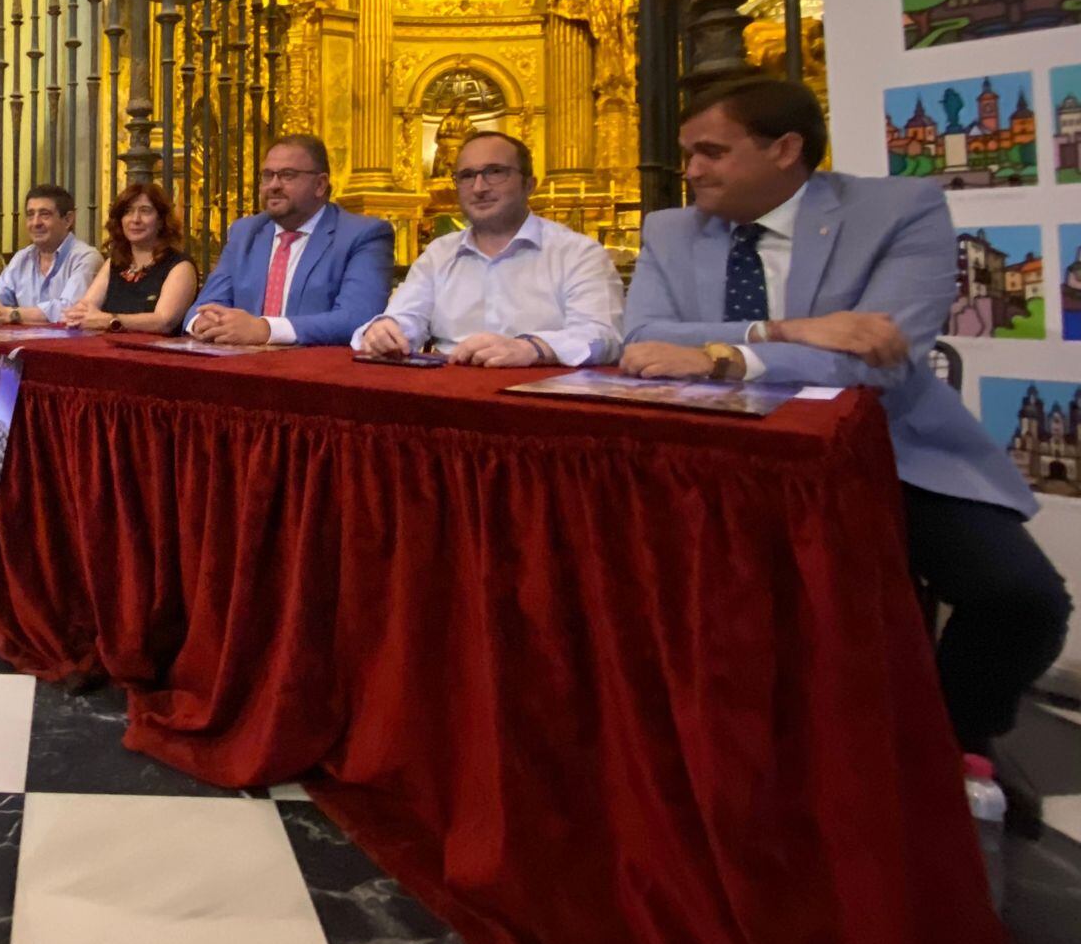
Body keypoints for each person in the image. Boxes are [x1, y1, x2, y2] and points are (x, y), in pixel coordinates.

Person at [622, 75, 1069, 773]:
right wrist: (789, 329)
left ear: (785, 149)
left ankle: (953, 745)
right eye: (688, 153)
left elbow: (880, 358)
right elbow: (644, 337)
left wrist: (722, 357)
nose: (692, 170)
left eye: (711, 151)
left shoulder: (899, 210)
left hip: (887, 447)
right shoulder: (671, 228)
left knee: (1022, 599)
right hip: (714, 456)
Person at [354, 131, 622, 366]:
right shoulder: (439, 254)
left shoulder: (577, 253)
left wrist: (532, 348)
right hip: (450, 390)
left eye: (495, 172)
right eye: (467, 176)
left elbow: (603, 336)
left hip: (541, 391)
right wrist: (385, 330)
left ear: (529, 185)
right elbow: (405, 318)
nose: (479, 187)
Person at [186, 134, 395, 346]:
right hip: (239, 367)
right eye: (267, 175)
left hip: (315, 372)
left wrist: (265, 329)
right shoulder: (245, 232)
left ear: (320, 184)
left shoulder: (363, 235)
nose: (273, 185)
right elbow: (203, 306)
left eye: (287, 175)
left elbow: (357, 318)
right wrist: (202, 322)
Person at [0, 183, 102, 326]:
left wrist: (9, 314)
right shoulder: (22, 258)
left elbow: (70, 312)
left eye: (45, 214)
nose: (35, 223)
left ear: (68, 219)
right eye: (30, 215)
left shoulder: (86, 258)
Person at [63, 180, 198, 334]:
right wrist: (79, 314)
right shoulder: (115, 262)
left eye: (145, 211)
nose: (135, 219)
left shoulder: (180, 266)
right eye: (127, 211)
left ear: (161, 221)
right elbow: (86, 307)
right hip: (110, 350)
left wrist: (109, 320)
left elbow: (163, 321)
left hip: (156, 354)